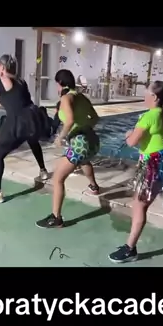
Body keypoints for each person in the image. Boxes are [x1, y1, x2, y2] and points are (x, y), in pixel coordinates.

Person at [108, 81, 163, 263]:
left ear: (154, 97)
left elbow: (132, 142)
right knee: (151, 194)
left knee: (139, 205)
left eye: (146, 93)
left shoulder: (149, 116)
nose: (144, 96)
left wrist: (128, 134)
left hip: (153, 164)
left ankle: (130, 249)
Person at [0, 54, 50, 205]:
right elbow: (11, 101)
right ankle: (43, 171)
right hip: (31, 119)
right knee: (32, 140)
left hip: (17, 123)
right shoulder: (20, 81)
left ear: (2, 68)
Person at [36, 69, 100, 229]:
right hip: (92, 141)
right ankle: (94, 187)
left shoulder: (66, 98)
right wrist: (83, 128)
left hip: (80, 143)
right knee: (84, 161)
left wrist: (61, 136)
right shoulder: (81, 96)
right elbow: (95, 118)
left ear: (60, 83)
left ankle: (56, 218)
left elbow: (69, 120)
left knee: (57, 178)